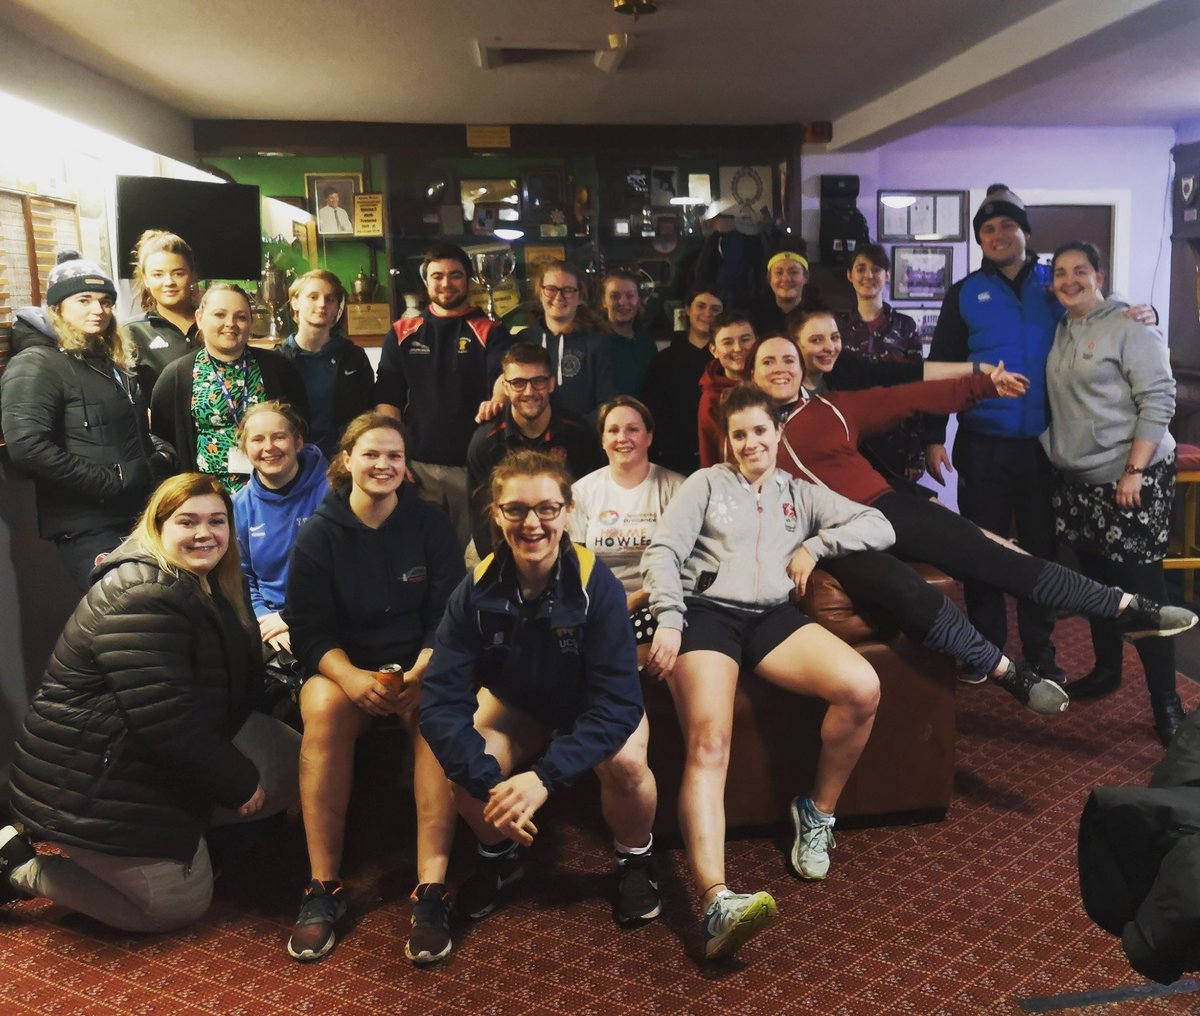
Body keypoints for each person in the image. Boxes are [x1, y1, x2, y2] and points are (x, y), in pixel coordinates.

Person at [764, 317, 1197, 708]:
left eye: (788, 358)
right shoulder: (743, 430)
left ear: (802, 367)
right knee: (903, 589)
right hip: (833, 538)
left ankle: (1127, 607)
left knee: (991, 555)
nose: (780, 367)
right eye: (768, 361)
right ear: (751, 372)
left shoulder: (831, 408)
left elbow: (909, 395)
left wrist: (984, 385)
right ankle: (1009, 674)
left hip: (883, 507)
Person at [641, 383, 893, 960]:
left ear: (778, 433)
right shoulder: (705, 484)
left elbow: (881, 526)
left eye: (761, 431)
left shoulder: (800, 495)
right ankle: (715, 900)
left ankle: (817, 812)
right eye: (740, 434)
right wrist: (671, 621)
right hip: (706, 616)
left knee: (862, 687)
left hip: (773, 619)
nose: (752, 442)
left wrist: (817, 547)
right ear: (726, 443)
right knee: (711, 741)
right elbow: (663, 553)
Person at [0, 473, 301, 932]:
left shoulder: (205, 580)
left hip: (147, 757)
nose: (205, 533)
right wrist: (235, 781)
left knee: (301, 760)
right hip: (94, 777)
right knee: (175, 907)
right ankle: (20, 868)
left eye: (217, 521)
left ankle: (187, 840)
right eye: (188, 521)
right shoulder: (141, 594)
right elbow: (166, 719)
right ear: (158, 526)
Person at [420, 450, 661, 938]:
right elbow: (441, 699)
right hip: (519, 704)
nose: (532, 523)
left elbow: (619, 704)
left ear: (568, 512)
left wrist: (543, 778)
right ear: (497, 514)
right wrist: (491, 784)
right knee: (463, 771)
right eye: (516, 510)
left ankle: (634, 861)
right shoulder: (476, 590)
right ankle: (500, 856)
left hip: (592, 705)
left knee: (628, 764)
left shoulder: (599, 586)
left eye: (547, 509)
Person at [926, 185, 1156, 685]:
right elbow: (937, 369)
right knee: (981, 551)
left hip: (1044, 448)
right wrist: (932, 435)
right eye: (987, 229)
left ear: (1025, 233)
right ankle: (983, 650)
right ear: (979, 240)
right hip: (982, 445)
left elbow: (1095, 305)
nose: (998, 235)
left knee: (1040, 554)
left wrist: (1139, 312)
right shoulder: (963, 292)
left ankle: (1040, 651)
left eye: (1007, 226)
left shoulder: (1054, 285)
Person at [282, 413, 463, 965]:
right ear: (347, 461)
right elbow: (309, 629)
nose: (383, 465)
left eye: (394, 456)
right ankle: (323, 886)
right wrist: (351, 677)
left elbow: (450, 614)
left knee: (440, 710)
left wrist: (421, 671)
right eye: (371, 455)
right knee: (322, 708)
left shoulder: (430, 525)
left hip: (418, 667)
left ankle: (431, 890)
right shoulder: (318, 533)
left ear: (406, 467)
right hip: (346, 668)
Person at [1043, 242, 1185, 744]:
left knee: (1145, 596)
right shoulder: (1061, 326)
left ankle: (1167, 703)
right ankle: (1107, 671)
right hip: (1081, 483)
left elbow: (1160, 396)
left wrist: (1135, 471)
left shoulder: (1128, 323)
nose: (1069, 280)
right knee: (1100, 586)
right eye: (1060, 273)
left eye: (1080, 271)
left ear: (1099, 274)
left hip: (1130, 476)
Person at [1, 252, 158, 588]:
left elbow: (128, 425)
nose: (97, 310)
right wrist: (109, 480)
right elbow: (26, 446)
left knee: (152, 616)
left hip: (135, 512)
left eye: (104, 301)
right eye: (84, 300)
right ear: (57, 308)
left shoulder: (103, 358)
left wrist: (158, 456)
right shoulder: (36, 362)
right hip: (88, 524)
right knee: (125, 609)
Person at [375, 243, 510, 548]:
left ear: (469, 280)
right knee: (420, 557)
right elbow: (388, 400)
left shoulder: (490, 330)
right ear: (426, 281)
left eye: (455, 276)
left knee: (482, 557)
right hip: (419, 468)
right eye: (437, 276)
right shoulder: (402, 332)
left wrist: (498, 398)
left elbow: (504, 377)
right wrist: (392, 456)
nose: (446, 283)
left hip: (473, 470)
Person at [151, 284, 308, 494]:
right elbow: (165, 443)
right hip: (204, 497)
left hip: (272, 495)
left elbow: (300, 428)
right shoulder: (176, 376)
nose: (230, 324)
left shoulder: (279, 368)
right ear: (199, 318)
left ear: (251, 322)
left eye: (241, 317)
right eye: (219, 315)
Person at [466, 342, 603, 555]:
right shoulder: (486, 442)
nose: (529, 392)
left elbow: (593, 505)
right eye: (518, 382)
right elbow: (482, 519)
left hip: (569, 553)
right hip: (508, 554)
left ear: (551, 384)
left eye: (538, 381)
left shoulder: (580, 436)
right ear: (506, 386)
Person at [568, 396, 684, 641]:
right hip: (598, 605)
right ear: (602, 440)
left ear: (649, 437)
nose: (622, 438)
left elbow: (686, 565)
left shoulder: (677, 489)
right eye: (613, 430)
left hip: (657, 603)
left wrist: (636, 599)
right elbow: (574, 566)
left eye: (633, 429)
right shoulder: (581, 492)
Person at [232, 401, 328, 655]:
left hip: (327, 614)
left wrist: (291, 617)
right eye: (257, 440)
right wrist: (264, 618)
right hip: (269, 622)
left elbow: (348, 570)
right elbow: (241, 577)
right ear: (244, 448)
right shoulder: (238, 506)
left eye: (278, 437)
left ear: (297, 442)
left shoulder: (333, 492)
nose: (269, 447)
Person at [834, 243, 926, 482]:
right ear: (849, 275)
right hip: (849, 440)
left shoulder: (905, 326)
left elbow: (918, 387)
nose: (868, 276)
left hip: (896, 442)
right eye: (861, 268)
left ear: (887, 275)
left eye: (876, 269)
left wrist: (917, 451)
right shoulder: (836, 326)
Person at [274, 270, 374, 458]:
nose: (322, 304)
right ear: (295, 302)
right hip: (291, 464)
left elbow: (367, 416)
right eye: (313, 297)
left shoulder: (353, 357)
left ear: (337, 308)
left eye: (330, 299)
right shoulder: (277, 360)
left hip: (342, 462)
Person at [641, 285, 724, 474]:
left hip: (719, 458)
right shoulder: (664, 360)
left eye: (715, 309)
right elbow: (653, 412)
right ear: (687, 309)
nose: (707, 313)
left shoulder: (726, 362)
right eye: (701, 306)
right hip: (673, 459)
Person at [519, 260, 615, 421]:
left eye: (568, 290)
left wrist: (576, 433)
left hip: (582, 438)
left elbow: (607, 402)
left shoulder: (598, 343)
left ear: (580, 296)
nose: (559, 297)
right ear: (540, 292)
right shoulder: (523, 341)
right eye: (551, 289)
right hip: (534, 439)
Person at [122, 229, 200, 392]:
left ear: (192, 275)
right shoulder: (131, 332)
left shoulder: (212, 323)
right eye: (158, 275)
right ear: (146, 279)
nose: (169, 282)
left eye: (178, 273)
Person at [697, 310, 757, 467]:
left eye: (745, 339)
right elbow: (708, 453)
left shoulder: (771, 384)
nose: (738, 348)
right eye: (728, 342)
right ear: (713, 350)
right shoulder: (711, 397)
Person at [602, 269, 658, 397]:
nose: (622, 302)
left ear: (638, 301)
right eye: (615, 296)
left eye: (630, 296)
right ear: (603, 302)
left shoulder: (647, 343)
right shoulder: (594, 344)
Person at [754, 249, 809, 335]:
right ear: (769, 279)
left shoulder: (819, 317)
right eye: (779, 273)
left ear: (805, 278)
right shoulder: (754, 319)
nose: (786, 279)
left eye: (794, 272)